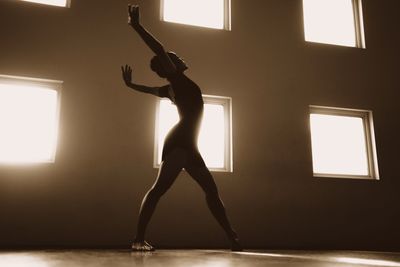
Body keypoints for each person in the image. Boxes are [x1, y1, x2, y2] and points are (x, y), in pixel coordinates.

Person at [121, 4, 242, 252]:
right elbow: (159, 49)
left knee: (211, 190)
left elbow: (149, 90)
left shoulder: (171, 89)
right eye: (175, 59)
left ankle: (232, 236)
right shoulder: (176, 80)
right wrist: (137, 26)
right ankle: (137, 239)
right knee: (158, 191)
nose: (180, 58)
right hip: (179, 142)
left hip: (189, 143)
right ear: (169, 67)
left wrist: (132, 86)